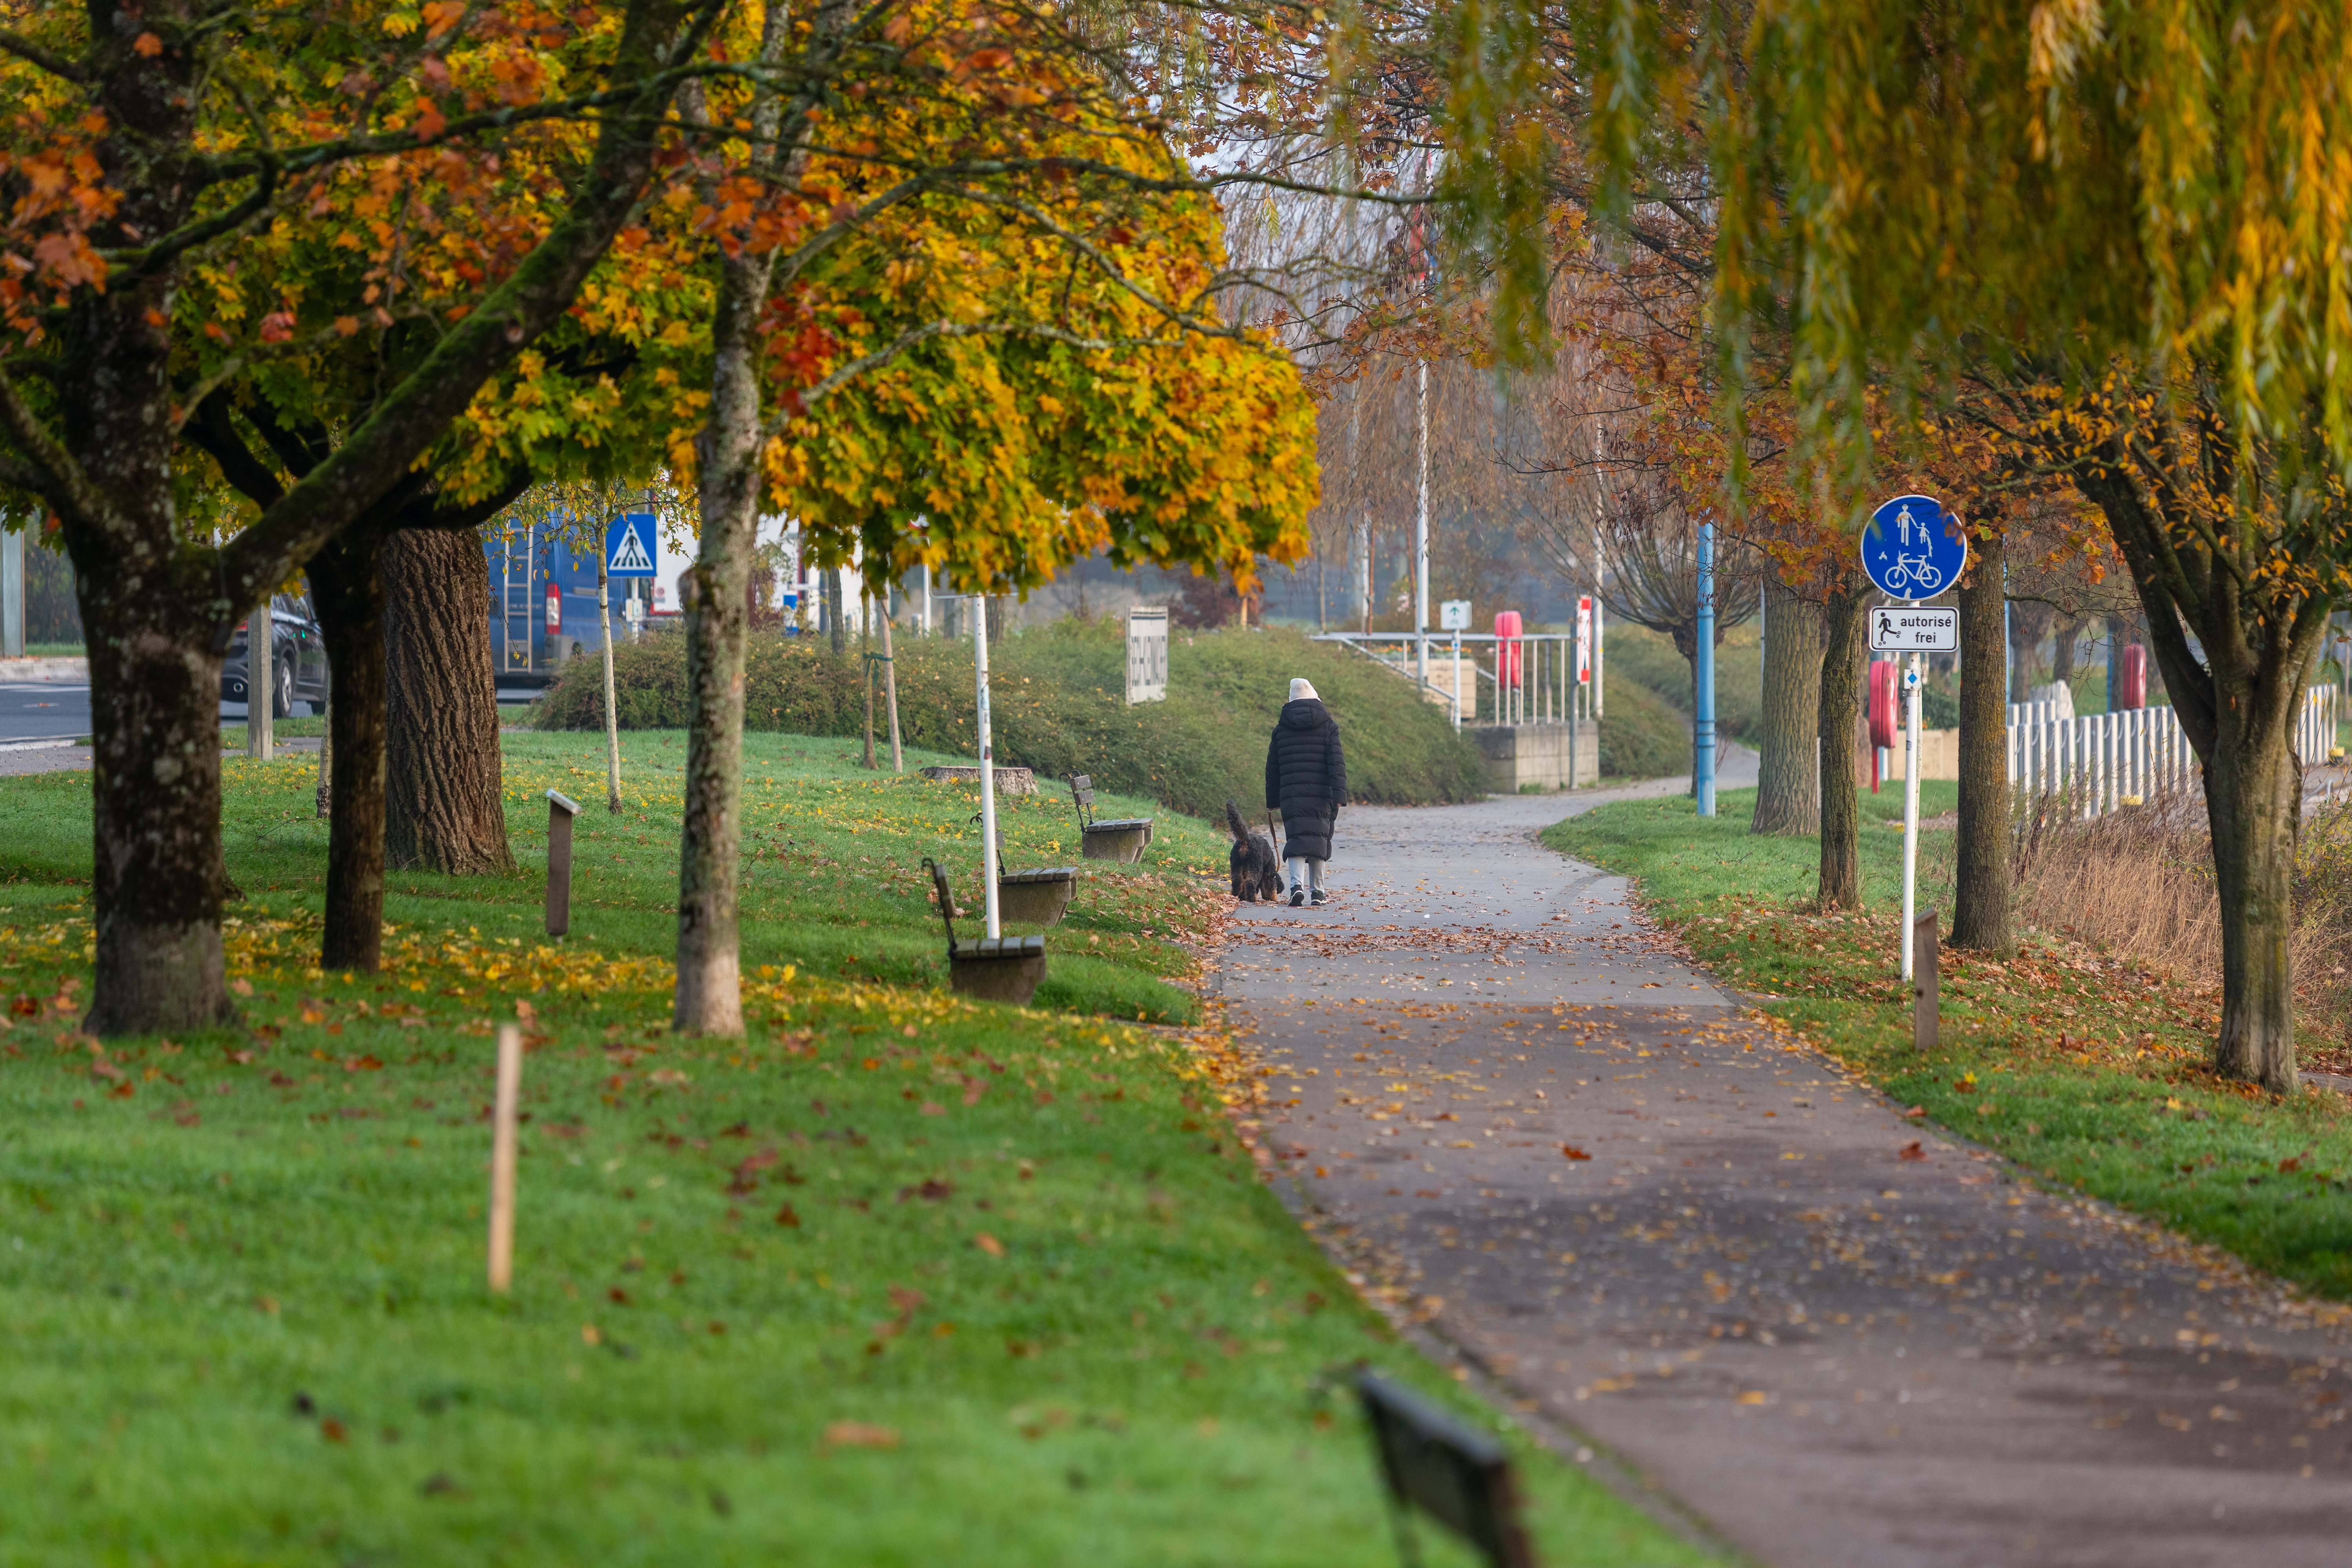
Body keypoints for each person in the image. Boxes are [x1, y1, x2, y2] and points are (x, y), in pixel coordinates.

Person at [1265, 676, 1347, 907]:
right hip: (1322, 795)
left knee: (1297, 839)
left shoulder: (1281, 730)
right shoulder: (1329, 726)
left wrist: (1272, 800)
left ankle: (1296, 887)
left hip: (1291, 794)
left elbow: (1272, 769)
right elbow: (1336, 764)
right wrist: (1340, 795)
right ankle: (1319, 893)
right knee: (1318, 840)